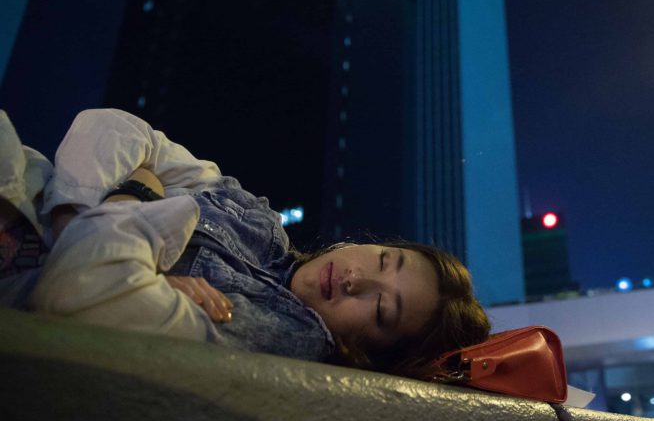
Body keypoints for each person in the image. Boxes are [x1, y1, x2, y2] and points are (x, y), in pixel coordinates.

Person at [0, 108, 490, 378]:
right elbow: (113, 127)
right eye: (383, 260)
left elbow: (84, 294)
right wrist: (80, 221)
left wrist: (137, 192)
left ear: (370, 354)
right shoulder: (261, 221)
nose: (355, 279)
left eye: (382, 310)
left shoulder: (285, 337)